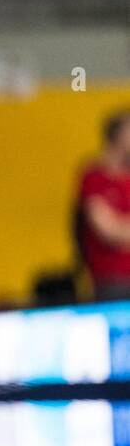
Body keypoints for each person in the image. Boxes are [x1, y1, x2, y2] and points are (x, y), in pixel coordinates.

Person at [76, 110, 130, 302]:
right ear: (116, 136)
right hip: (112, 281)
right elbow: (108, 231)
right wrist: (120, 229)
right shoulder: (94, 177)